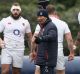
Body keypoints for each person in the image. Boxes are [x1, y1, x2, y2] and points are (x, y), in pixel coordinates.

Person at [31, 4, 74, 74]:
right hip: (58, 50)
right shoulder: (63, 23)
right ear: (55, 12)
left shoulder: (41, 23)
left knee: (38, 71)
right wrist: (71, 53)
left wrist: (33, 51)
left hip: (44, 52)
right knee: (60, 71)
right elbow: (70, 39)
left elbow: (33, 40)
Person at [0, 2, 32, 74]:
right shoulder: (4, 20)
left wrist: (32, 51)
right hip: (7, 49)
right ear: (11, 11)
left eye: (17, 10)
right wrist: (0, 41)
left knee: (16, 72)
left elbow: (30, 37)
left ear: (20, 11)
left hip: (19, 50)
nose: (15, 12)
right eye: (14, 10)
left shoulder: (25, 22)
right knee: (5, 71)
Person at [30, 9, 58, 74]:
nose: (39, 18)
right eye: (38, 17)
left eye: (41, 16)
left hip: (47, 59)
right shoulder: (43, 26)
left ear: (46, 17)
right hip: (43, 59)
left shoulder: (51, 26)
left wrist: (41, 38)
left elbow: (52, 36)